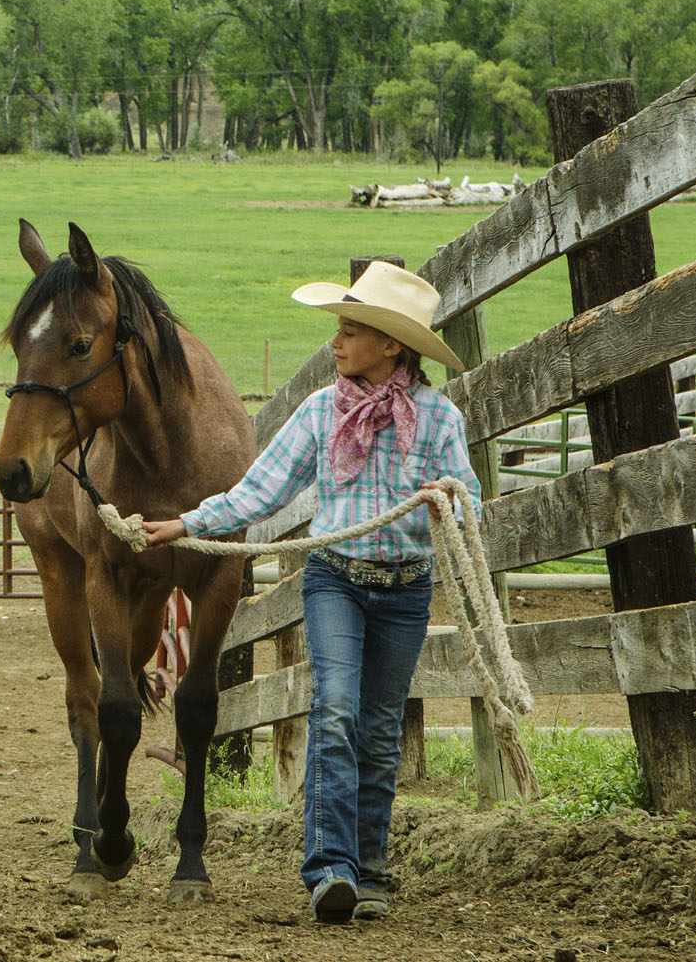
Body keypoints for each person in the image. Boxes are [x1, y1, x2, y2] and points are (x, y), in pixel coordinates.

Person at [140, 261, 481, 924]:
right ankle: (331, 869)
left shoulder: (439, 419)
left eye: (351, 331)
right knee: (336, 711)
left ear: (392, 345)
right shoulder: (323, 411)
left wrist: (449, 502)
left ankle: (372, 871)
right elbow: (259, 489)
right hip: (336, 582)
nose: (336, 342)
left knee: (380, 733)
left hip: (405, 590)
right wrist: (187, 523)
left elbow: (470, 506)